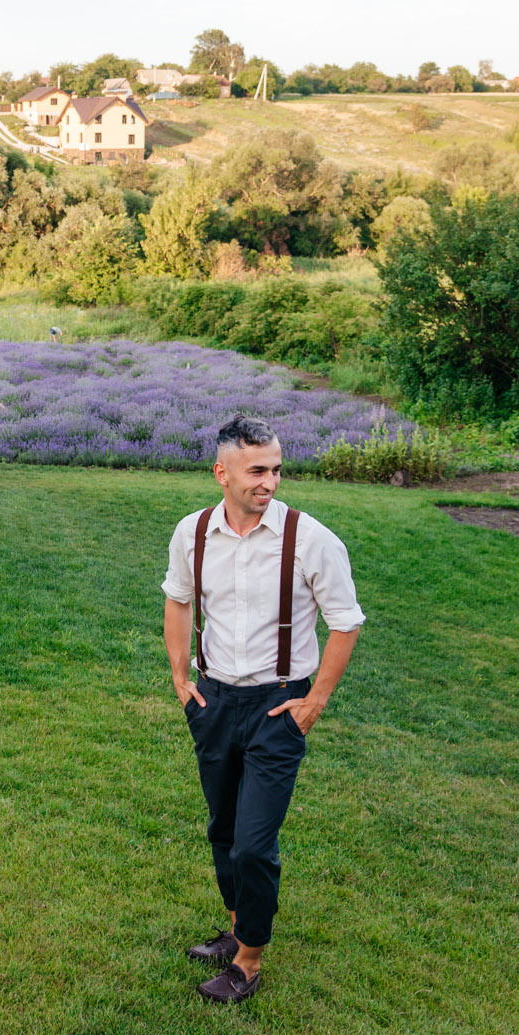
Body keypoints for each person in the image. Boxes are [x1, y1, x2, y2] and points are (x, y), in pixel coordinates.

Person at [161, 414, 365, 1003]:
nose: (269, 482)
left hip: (280, 706)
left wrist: (315, 700)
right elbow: (178, 600)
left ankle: (248, 961)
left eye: (276, 469)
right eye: (256, 471)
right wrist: (181, 677)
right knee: (222, 829)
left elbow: (345, 623)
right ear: (221, 473)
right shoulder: (192, 533)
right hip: (215, 699)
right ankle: (234, 926)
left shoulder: (311, 539)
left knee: (254, 842)